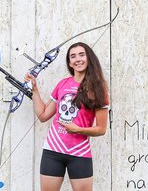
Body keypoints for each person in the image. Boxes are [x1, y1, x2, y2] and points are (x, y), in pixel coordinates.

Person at [25, 42, 109, 191]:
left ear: (89, 58)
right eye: (73, 56)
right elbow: (43, 115)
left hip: (79, 152)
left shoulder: (98, 88)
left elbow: (101, 129)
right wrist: (35, 90)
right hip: (52, 150)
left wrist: (78, 130)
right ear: (70, 63)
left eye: (82, 55)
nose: (78, 59)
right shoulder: (63, 84)